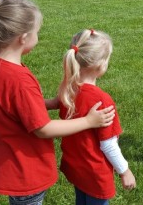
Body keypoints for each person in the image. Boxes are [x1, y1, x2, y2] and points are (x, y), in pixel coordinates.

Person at [0, 0, 115, 205]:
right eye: (37, 32)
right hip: (26, 169)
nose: (38, 37)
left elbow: (12, 105)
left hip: (9, 163)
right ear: (23, 38)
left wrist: (50, 103)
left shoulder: (1, 69)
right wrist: (89, 121)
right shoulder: (18, 80)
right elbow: (43, 128)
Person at [58, 29, 136, 205]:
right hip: (95, 172)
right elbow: (108, 144)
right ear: (100, 65)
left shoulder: (69, 88)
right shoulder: (101, 100)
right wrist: (124, 171)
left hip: (76, 167)